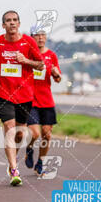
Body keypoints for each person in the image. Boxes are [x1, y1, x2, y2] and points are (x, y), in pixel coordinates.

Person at [0, 11, 44, 186]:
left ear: (19, 24)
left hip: (25, 94)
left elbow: (40, 64)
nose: (12, 23)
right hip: (3, 92)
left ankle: (14, 156)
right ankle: (13, 169)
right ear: (3, 25)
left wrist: (25, 60)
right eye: (8, 21)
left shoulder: (28, 42)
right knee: (9, 128)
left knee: (19, 133)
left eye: (15, 20)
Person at [25, 28, 61, 176]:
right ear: (31, 37)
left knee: (47, 134)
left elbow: (58, 79)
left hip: (46, 101)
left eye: (43, 35)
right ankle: (29, 148)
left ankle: (40, 162)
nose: (40, 38)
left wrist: (55, 73)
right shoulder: (27, 55)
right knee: (35, 134)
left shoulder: (51, 55)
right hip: (30, 100)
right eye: (37, 35)